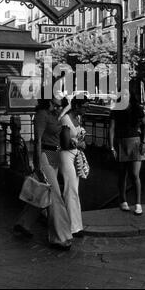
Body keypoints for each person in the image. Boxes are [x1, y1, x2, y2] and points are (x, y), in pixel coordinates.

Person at [14, 97, 73, 251]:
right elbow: (38, 140)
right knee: (55, 196)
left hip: (55, 156)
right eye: (57, 105)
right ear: (49, 102)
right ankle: (60, 237)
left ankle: (24, 223)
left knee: (43, 192)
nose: (60, 108)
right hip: (45, 156)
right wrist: (38, 165)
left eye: (61, 106)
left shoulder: (55, 116)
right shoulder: (42, 115)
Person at [109, 91, 145, 215]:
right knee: (122, 174)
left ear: (131, 96)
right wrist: (111, 147)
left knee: (135, 174)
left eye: (127, 94)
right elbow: (111, 129)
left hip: (136, 142)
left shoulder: (137, 109)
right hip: (120, 143)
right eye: (123, 94)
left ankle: (138, 203)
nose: (125, 96)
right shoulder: (116, 109)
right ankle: (123, 200)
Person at [59, 97, 89, 238]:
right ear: (76, 106)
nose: (86, 109)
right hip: (66, 156)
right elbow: (65, 143)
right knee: (70, 189)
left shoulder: (77, 118)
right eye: (84, 106)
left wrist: (80, 144)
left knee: (74, 189)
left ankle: (76, 225)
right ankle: (71, 226)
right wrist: (79, 144)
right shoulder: (66, 119)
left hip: (75, 155)